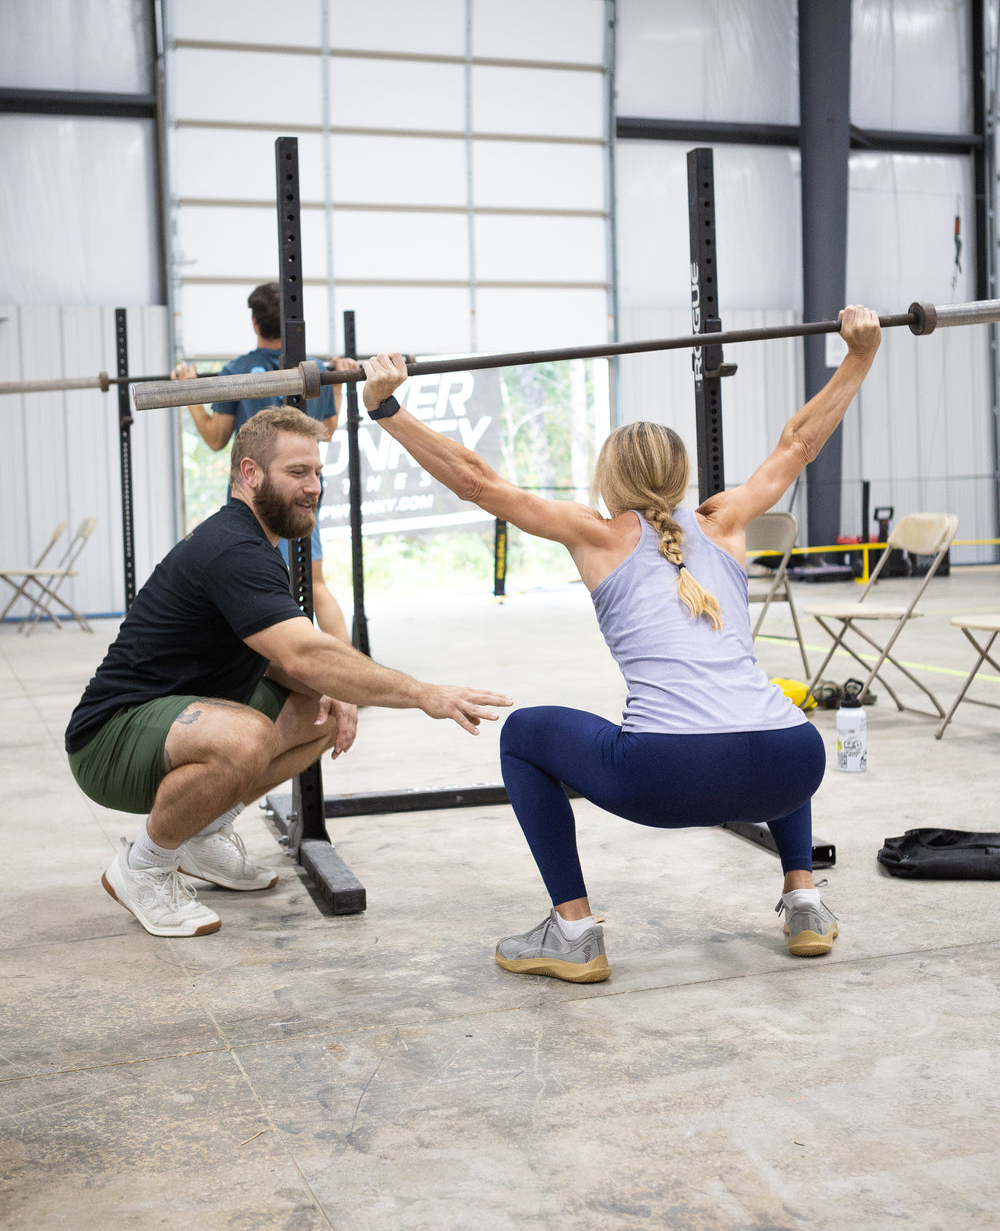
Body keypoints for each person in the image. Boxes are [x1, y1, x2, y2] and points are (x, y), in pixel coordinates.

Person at [354, 305, 882, 982]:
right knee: (759, 706)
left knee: (523, 733)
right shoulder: (726, 519)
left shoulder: (596, 534)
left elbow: (476, 481)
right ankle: (804, 901)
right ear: (682, 476)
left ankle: (574, 933)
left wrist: (386, 407)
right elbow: (799, 444)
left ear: (609, 478)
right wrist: (860, 355)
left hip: (668, 778)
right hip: (793, 763)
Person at [66, 405, 511, 939]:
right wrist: (423, 694)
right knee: (246, 736)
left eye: (317, 472)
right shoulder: (233, 548)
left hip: (174, 720)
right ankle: (143, 867)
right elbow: (303, 655)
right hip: (109, 740)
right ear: (250, 473)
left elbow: (280, 659)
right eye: (297, 472)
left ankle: (200, 836)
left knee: (323, 711)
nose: (313, 487)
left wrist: (334, 689)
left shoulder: (257, 544)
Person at [171, 281, 352, 644]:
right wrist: (337, 382)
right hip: (302, 487)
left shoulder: (237, 371)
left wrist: (189, 390)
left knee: (255, 584)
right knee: (313, 583)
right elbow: (327, 430)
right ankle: (349, 667)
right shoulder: (313, 370)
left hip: (256, 494)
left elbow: (215, 438)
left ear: (255, 323)